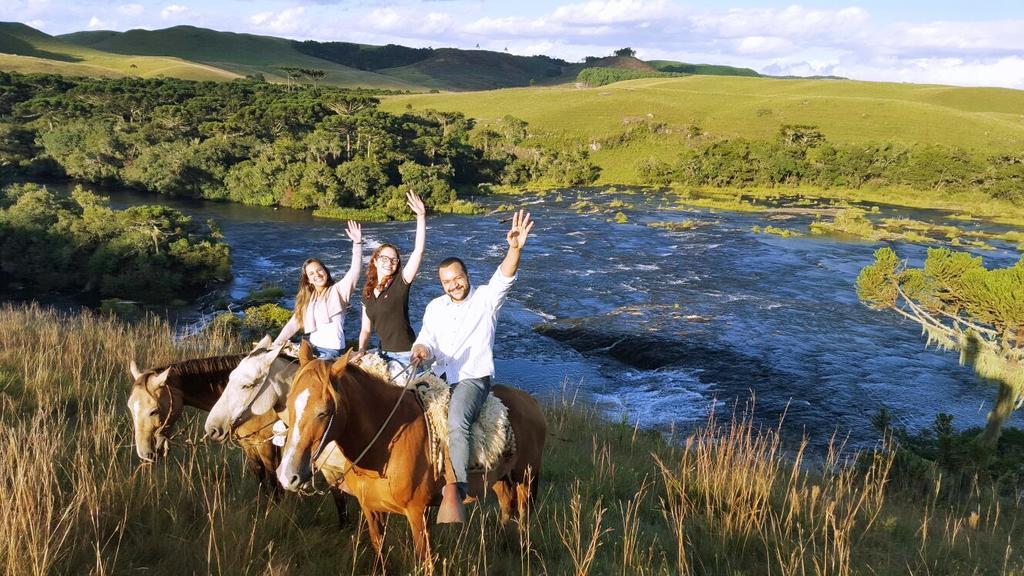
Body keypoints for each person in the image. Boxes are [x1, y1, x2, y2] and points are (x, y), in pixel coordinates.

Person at [411, 209, 534, 523]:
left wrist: (514, 249)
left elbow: (504, 276)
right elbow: (428, 339)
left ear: (467, 276)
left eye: (458, 278)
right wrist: (422, 348)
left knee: (457, 419)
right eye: (447, 281)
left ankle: (457, 486)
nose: (453, 285)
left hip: (472, 379)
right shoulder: (435, 307)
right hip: (438, 375)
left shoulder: (485, 299)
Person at [353, 191, 426, 372]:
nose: (390, 263)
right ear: (376, 260)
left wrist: (421, 216)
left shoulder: (401, 283)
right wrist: (361, 349)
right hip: (382, 355)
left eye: (394, 260)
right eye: (385, 258)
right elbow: (365, 330)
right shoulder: (368, 292)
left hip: (406, 354)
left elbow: (418, 251)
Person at [273, 221, 363, 359]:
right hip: (312, 347)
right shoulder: (309, 298)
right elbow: (294, 323)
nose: (317, 275)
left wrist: (357, 244)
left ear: (325, 271)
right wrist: (277, 343)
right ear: (308, 279)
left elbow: (355, 271)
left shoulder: (339, 290)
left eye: (319, 270)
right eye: (312, 273)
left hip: (332, 352)